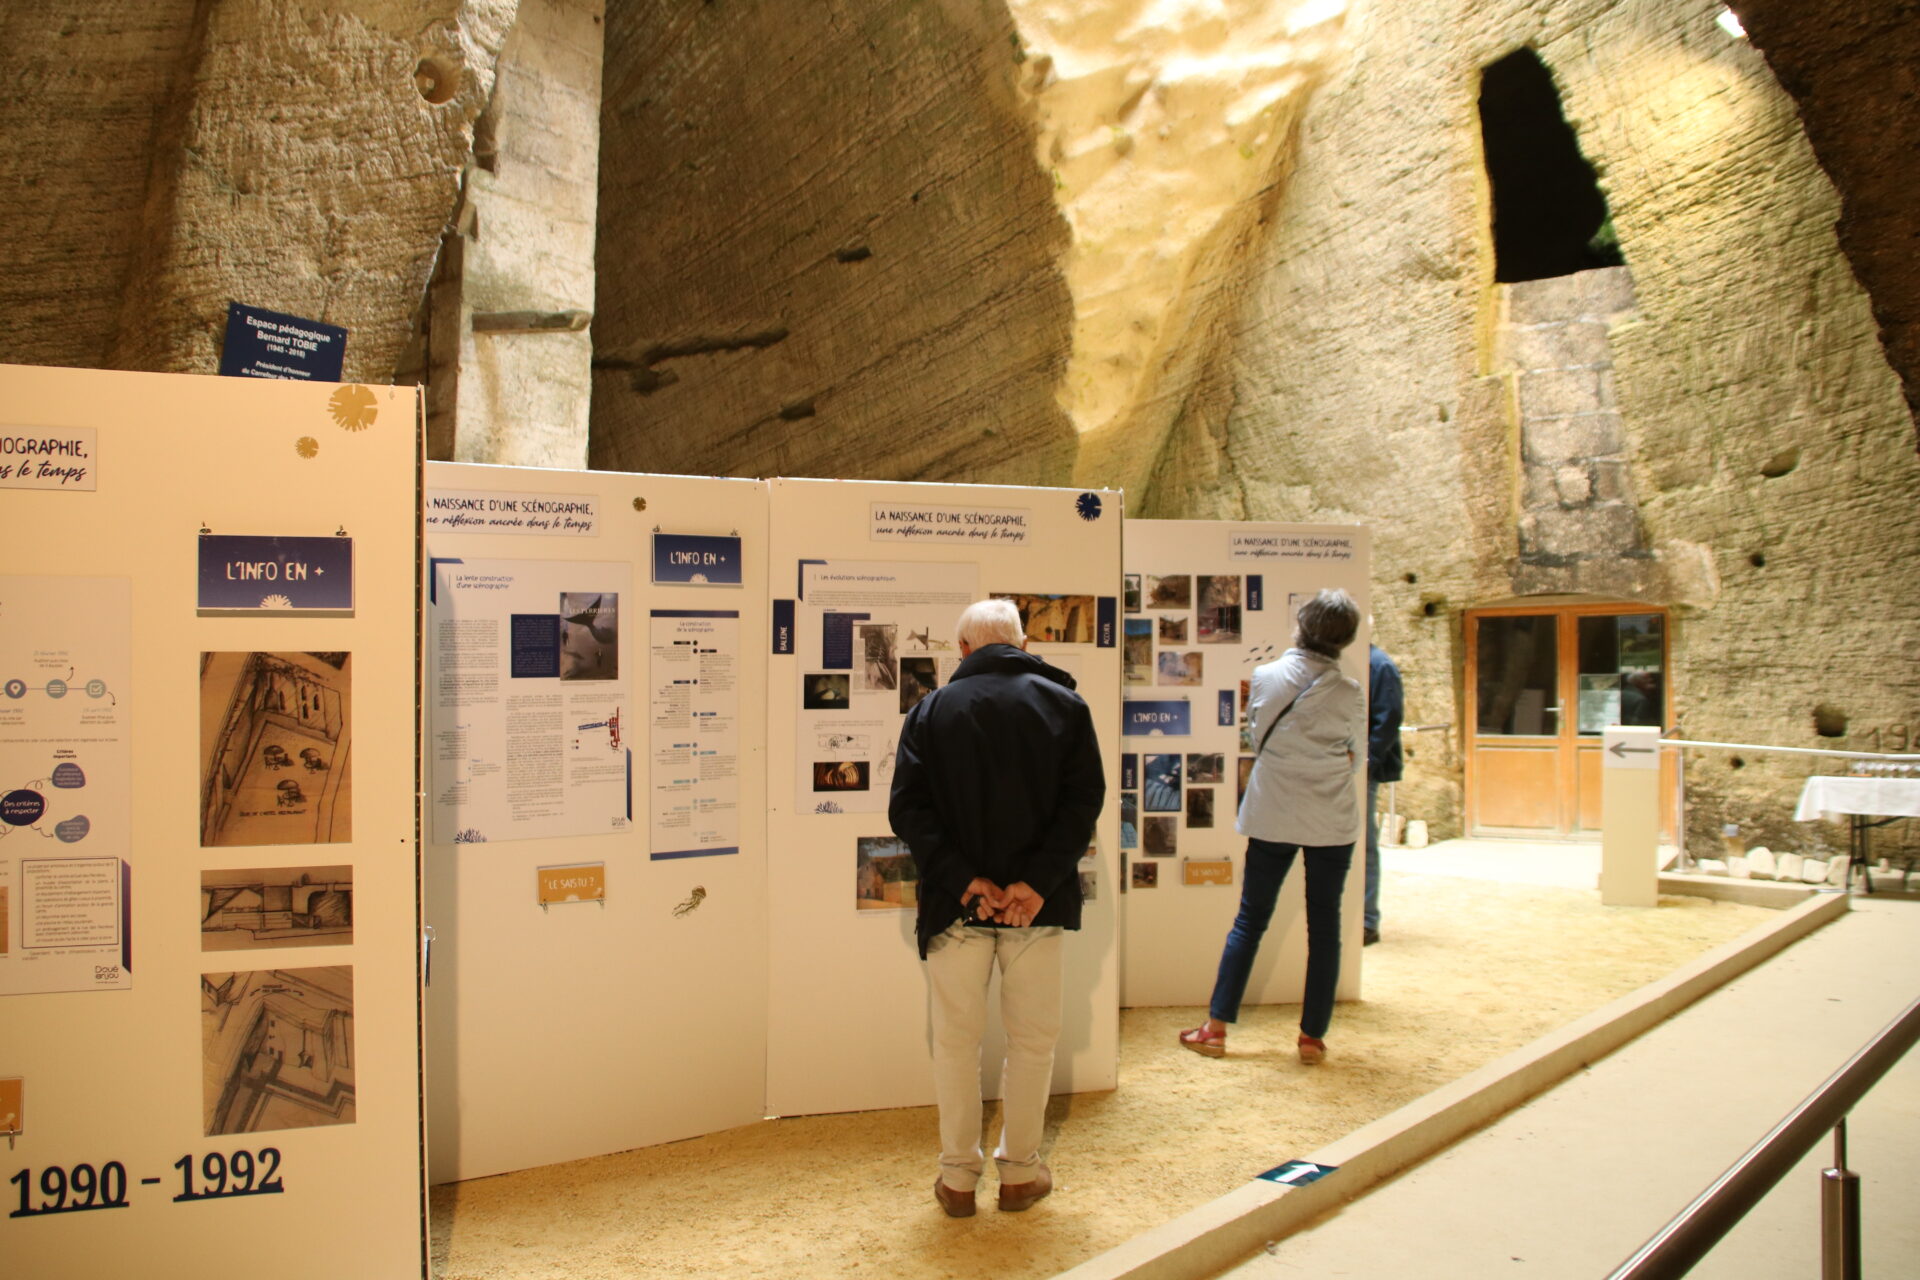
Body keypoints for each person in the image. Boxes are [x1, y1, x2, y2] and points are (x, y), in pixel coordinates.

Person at [889, 598, 1105, 1219]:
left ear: (962, 650)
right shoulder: (1065, 705)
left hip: (957, 907)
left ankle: (957, 1180)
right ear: (1023, 643)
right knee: (1033, 1042)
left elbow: (908, 810)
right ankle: (1019, 1173)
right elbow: (1083, 802)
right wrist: (1034, 883)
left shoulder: (930, 710)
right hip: (1035, 908)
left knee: (955, 1043)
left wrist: (966, 882)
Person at [1180, 588, 1364, 1066]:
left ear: (1302, 625)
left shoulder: (1265, 676)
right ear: (1345, 639)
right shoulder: (1349, 692)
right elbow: (1355, 757)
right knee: (1326, 927)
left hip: (1272, 811)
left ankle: (1216, 1028)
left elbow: (1256, 737)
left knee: (1250, 920)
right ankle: (1312, 1038)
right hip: (1332, 819)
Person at [1365, 642, 1404, 945]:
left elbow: (1389, 717)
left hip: (1364, 770)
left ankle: (1367, 921)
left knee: (1364, 843)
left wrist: (1368, 760)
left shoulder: (1379, 664)